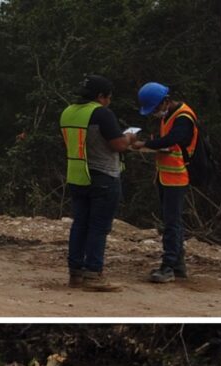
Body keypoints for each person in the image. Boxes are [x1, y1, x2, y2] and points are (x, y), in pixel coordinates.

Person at [60, 75, 136, 292]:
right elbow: (118, 144)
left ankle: (75, 274)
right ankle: (94, 274)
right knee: (98, 227)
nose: (109, 101)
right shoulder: (101, 113)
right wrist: (129, 137)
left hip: (77, 176)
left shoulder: (68, 112)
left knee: (80, 225)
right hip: (103, 176)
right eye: (108, 97)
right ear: (101, 96)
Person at [131, 82, 197, 283]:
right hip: (166, 175)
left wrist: (146, 144)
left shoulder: (183, 117)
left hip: (177, 176)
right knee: (172, 221)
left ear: (165, 101)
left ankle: (168, 266)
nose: (155, 113)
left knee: (172, 223)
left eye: (156, 109)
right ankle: (177, 265)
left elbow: (175, 139)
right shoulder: (170, 114)